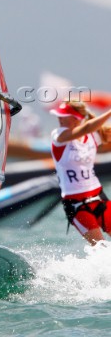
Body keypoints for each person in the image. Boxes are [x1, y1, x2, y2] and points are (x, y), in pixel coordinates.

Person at [50, 101, 111, 245]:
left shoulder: (94, 136)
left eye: (64, 116)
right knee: (101, 249)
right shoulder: (58, 135)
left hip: (99, 197)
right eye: (59, 115)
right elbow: (86, 128)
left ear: (76, 118)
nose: (60, 118)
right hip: (76, 205)